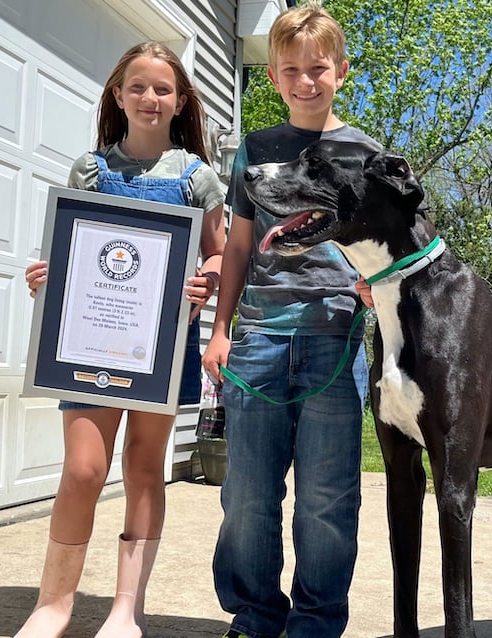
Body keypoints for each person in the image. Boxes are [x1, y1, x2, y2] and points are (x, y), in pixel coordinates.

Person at [17, 41, 225, 638]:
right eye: (137, 86)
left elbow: (216, 252)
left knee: (142, 467)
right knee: (83, 469)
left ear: (181, 101)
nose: (150, 98)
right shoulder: (90, 169)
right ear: (117, 95)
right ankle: (52, 605)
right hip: (88, 344)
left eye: (162, 89)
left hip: (161, 346)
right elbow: (74, 247)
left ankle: (125, 611)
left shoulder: (196, 176)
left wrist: (206, 282)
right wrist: (49, 276)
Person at [201, 4, 377, 638]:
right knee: (247, 494)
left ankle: (317, 623)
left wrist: (374, 287)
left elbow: (385, 247)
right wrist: (220, 333)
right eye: (292, 70)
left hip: (335, 338)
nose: (307, 81)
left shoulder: (366, 153)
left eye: (319, 68)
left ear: (341, 71)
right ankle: (254, 616)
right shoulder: (256, 151)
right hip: (259, 338)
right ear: (273, 77)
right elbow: (240, 250)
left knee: (328, 500)